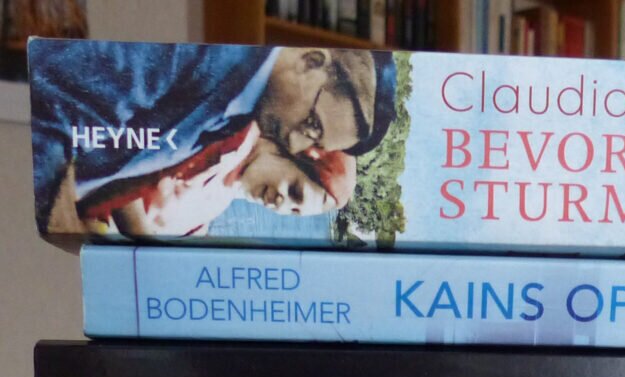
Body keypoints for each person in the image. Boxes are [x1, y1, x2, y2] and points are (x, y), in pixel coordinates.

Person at [30, 38, 396, 236]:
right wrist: (61, 231)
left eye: (315, 145)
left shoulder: (234, 116)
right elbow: (57, 100)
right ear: (311, 61)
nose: (296, 146)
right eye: (312, 125)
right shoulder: (206, 55)